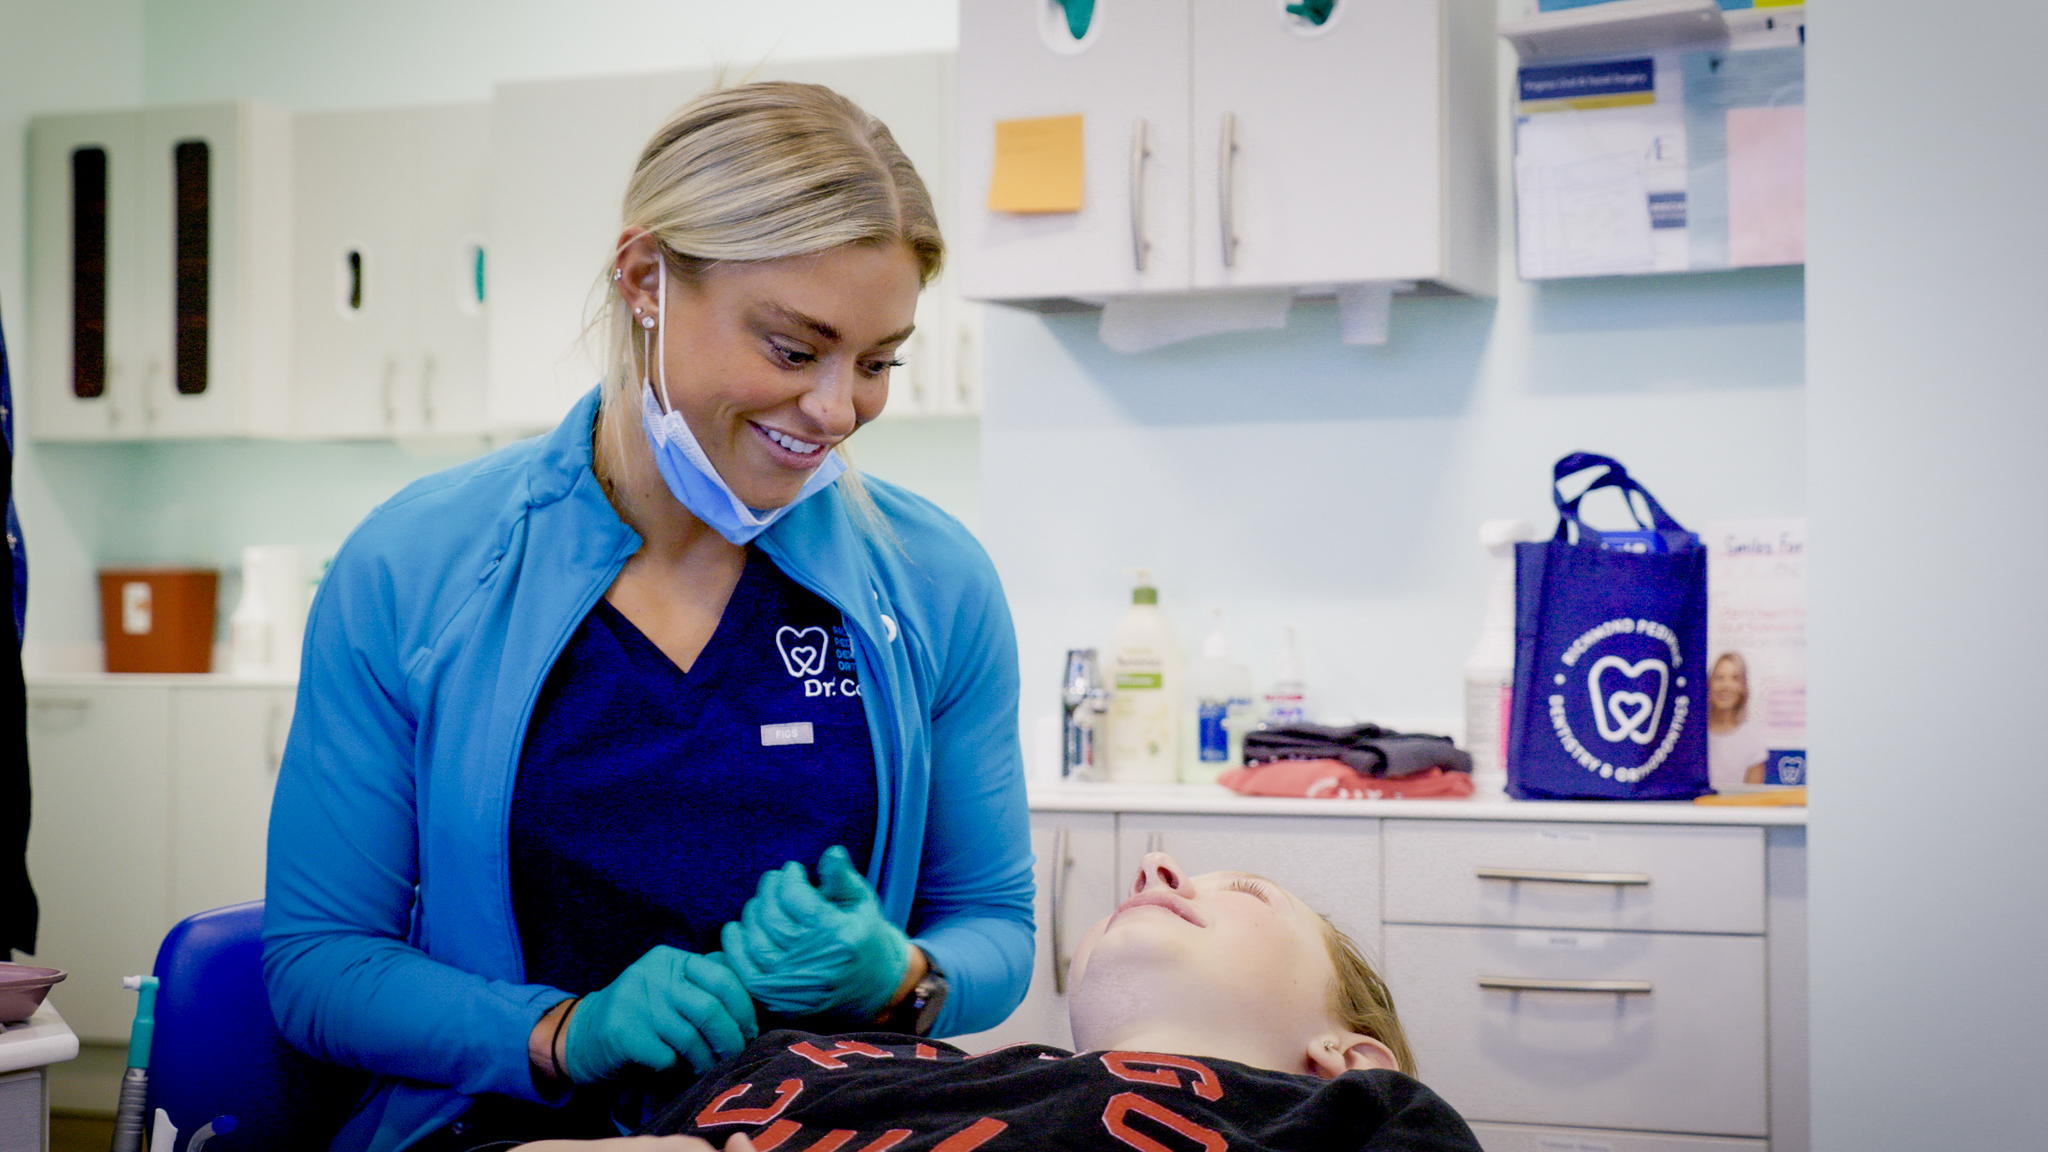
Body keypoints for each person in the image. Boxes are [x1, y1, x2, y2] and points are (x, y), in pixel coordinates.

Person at [263, 81, 1035, 1152]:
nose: (835, 410)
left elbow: (994, 929)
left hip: (820, 1126)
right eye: (791, 347)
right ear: (645, 280)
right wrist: (565, 1033)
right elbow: (320, 966)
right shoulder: (418, 567)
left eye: (877, 362)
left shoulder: (933, 582)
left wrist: (902, 974)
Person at [508, 852, 1480, 1152]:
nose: (1156, 866)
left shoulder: (1356, 1120)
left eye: (1241, 893)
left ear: (1343, 1052)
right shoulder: (900, 1065)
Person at [1707, 651, 1769, 788]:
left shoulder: (1754, 736)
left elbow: (1752, 799)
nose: (1726, 686)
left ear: (1743, 687)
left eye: (1734, 678)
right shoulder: (1693, 735)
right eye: (1719, 678)